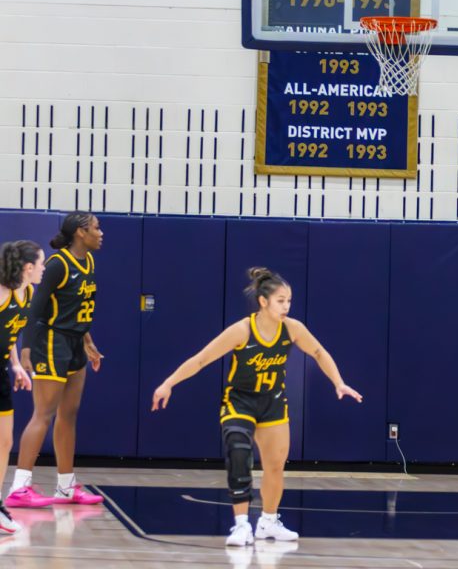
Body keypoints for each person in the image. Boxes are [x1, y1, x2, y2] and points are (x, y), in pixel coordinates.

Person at [151, 267, 363, 546]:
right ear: (264, 302)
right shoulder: (241, 330)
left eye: (289, 301)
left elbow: (319, 352)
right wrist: (168, 383)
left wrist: (339, 382)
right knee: (239, 455)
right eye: (281, 301)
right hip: (240, 401)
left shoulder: (293, 329)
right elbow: (201, 359)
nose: (286, 306)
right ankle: (241, 525)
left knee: (275, 466)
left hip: (273, 402)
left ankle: (268, 522)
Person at [7, 212, 105, 509]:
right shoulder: (57, 264)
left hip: (76, 343)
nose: (101, 233)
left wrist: (89, 342)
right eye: (96, 228)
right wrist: (25, 351)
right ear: (80, 232)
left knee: (69, 414)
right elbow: (35, 310)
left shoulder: (88, 262)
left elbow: (80, 308)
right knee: (43, 414)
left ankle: (66, 486)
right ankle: (20, 487)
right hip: (52, 342)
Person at [0, 241, 41, 534]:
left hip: (1, 369)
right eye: (40, 263)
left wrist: (15, 365)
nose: (43, 268)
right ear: (28, 268)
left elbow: (11, 332)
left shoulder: (28, 292)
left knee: (5, 442)